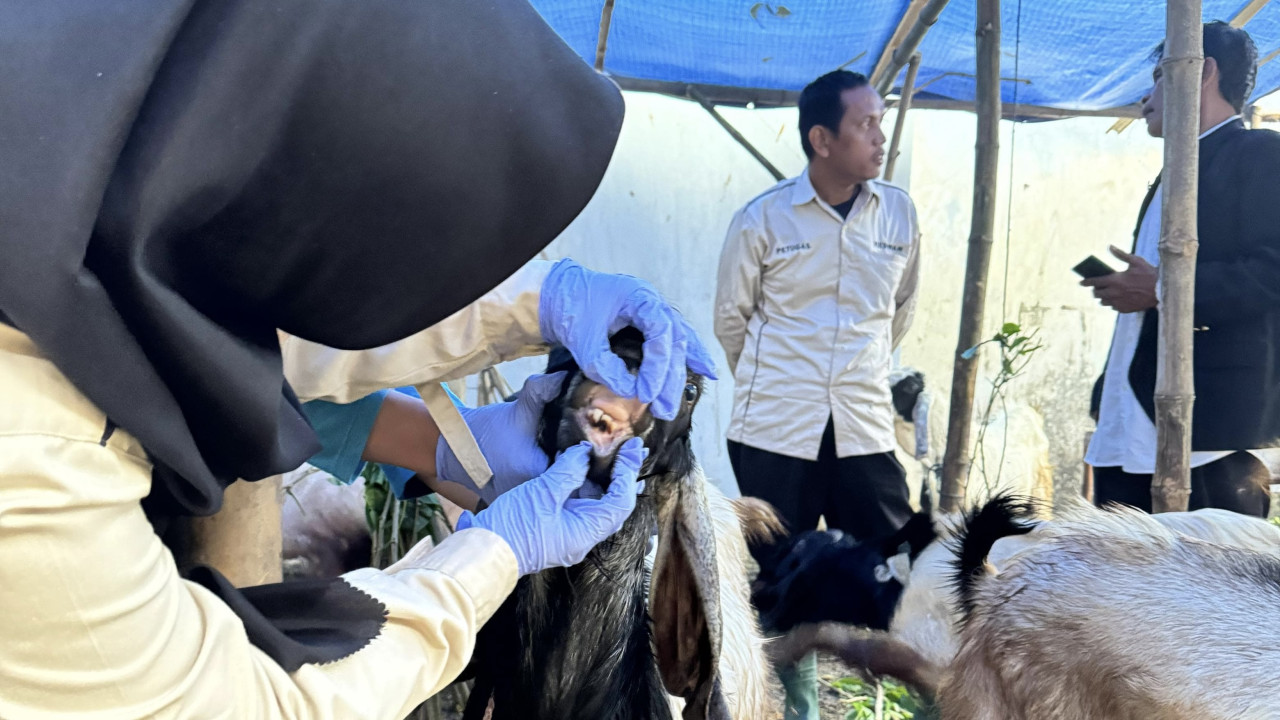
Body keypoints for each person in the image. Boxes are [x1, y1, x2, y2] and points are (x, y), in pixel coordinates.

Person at [0, 3, 712, 719]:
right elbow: (234, 704)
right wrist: (490, 556)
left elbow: (216, 322)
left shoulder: (78, 184)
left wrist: (533, 308)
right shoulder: (29, 454)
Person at [713, 69, 921, 720]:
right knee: (779, 584)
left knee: (899, 572)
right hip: (775, 430)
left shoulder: (900, 215)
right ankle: (791, 709)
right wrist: (783, 384)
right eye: (865, 125)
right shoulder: (764, 220)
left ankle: (921, 698)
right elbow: (731, 319)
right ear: (821, 139)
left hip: (863, 424)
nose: (879, 137)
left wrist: (858, 374)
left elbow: (901, 310)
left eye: (880, 122)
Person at [1082, 21, 1280, 518]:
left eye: (1157, 77)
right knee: (1124, 589)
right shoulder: (1172, 173)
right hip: (1132, 421)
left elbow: (1274, 271)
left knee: (1212, 587)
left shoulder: (1261, 155)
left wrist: (1163, 289)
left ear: (1202, 70)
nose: (1146, 98)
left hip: (1209, 433)